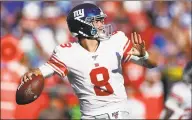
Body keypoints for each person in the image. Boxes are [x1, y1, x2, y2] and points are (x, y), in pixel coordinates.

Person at [21, 3, 157, 119]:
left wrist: (144, 55)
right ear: (82, 24)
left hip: (119, 114)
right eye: (96, 21)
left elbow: (152, 64)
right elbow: (43, 70)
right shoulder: (67, 52)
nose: (102, 24)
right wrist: (33, 73)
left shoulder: (116, 40)